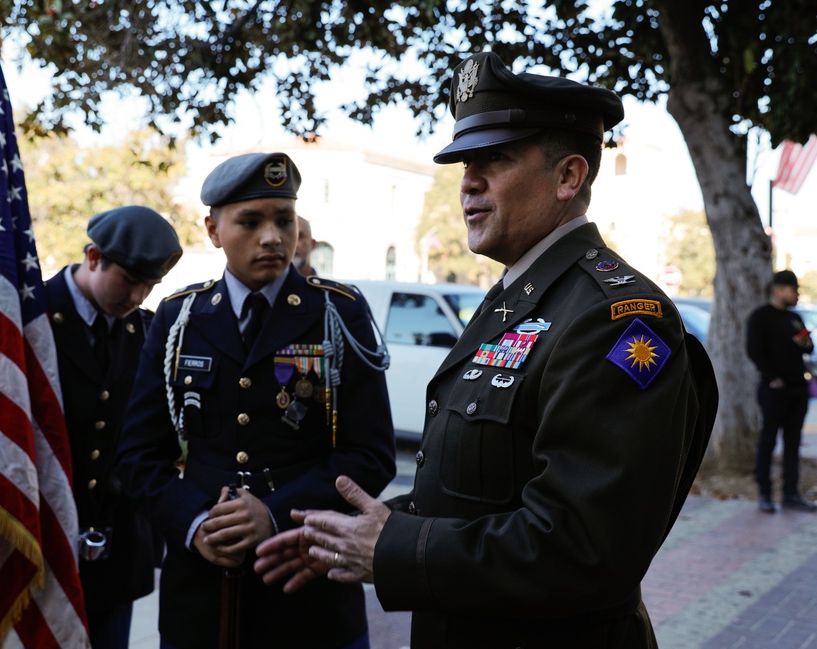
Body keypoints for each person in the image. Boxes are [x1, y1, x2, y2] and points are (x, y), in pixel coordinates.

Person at [254, 51, 719, 648]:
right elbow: (480, 493)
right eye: (465, 162)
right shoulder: (518, 296)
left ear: (569, 177)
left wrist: (393, 549)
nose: (468, 180)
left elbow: (587, 549)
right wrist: (362, 529)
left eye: (494, 159)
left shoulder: (614, 317)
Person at [115, 152, 396, 649]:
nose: (273, 237)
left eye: (284, 220)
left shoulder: (337, 311)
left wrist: (272, 511)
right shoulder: (180, 317)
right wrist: (196, 521)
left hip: (307, 587)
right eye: (250, 221)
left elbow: (369, 455)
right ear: (213, 231)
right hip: (201, 592)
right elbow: (139, 456)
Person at [45, 205, 182, 648]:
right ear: (92, 257)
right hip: (42, 540)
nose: (138, 296)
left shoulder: (146, 331)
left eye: (150, 284)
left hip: (118, 550)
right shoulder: (30, 317)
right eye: (129, 279)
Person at [745, 269, 817, 513]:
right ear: (779, 290)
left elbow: (809, 348)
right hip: (774, 390)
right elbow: (754, 350)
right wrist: (772, 378)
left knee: (792, 442)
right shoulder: (760, 317)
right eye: (793, 290)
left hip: (798, 390)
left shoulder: (793, 318)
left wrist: (804, 343)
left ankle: (790, 493)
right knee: (768, 441)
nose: (797, 295)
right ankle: (765, 494)